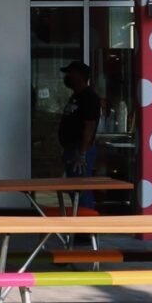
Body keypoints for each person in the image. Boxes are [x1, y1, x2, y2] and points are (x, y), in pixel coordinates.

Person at [58, 61, 102, 212]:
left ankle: (87, 229)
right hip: (72, 149)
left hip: (80, 150)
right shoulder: (76, 96)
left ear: (80, 76)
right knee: (74, 190)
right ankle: (80, 225)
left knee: (81, 190)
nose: (67, 77)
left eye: (70, 73)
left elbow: (89, 126)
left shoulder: (89, 97)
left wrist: (82, 153)